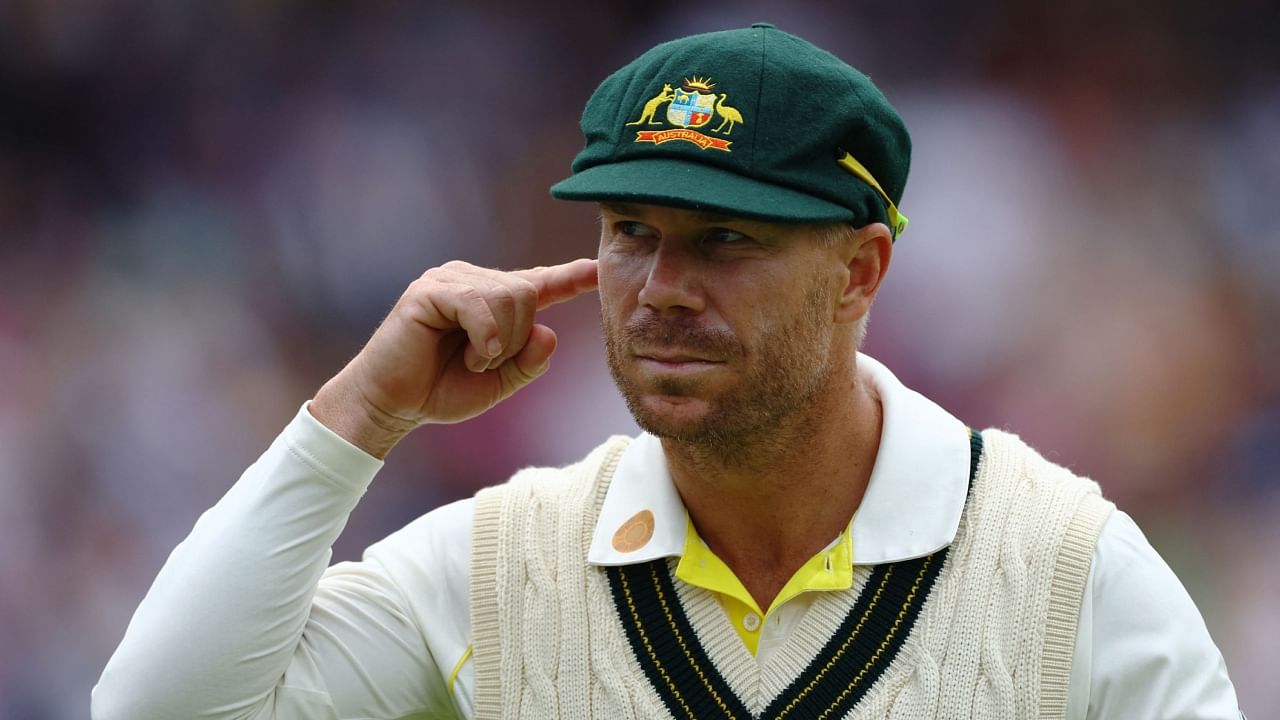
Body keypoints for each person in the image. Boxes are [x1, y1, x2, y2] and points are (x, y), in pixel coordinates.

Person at [92, 24, 1243, 720]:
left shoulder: (1062, 568)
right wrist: (358, 415)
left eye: (725, 242)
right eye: (630, 231)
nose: (660, 288)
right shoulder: (504, 559)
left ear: (859, 270)